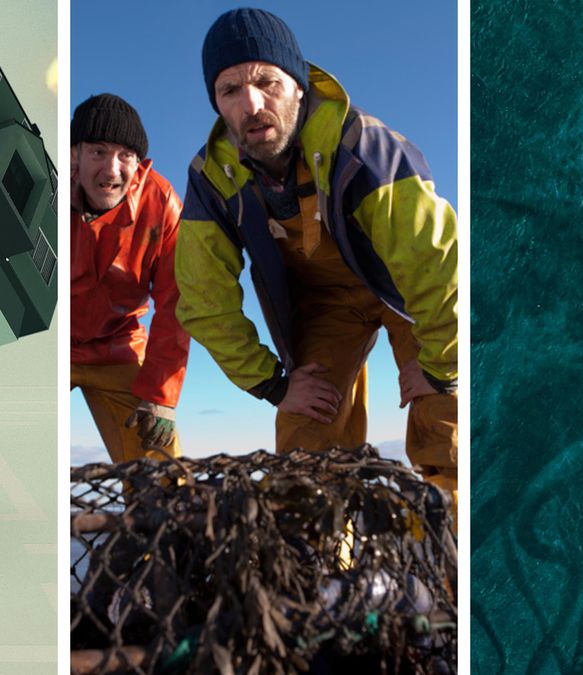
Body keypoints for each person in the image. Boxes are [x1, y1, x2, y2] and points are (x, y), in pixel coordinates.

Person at [175, 8, 459, 501]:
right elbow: (204, 297)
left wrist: (440, 368)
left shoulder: (365, 146)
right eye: (230, 91)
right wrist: (273, 385)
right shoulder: (210, 179)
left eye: (268, 82)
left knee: (445, 421)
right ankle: (323, 568)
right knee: (305, 437)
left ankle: (454, 563)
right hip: (325, 311)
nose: (252, 103)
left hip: (405, 294)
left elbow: (439, 264)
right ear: (217, 105)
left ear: (300, 86)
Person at [70, 93, 191, 463]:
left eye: (125, 156)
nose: (112, 170)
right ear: (74, 153)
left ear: (139, 163)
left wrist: (161, 396)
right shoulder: (43, 184)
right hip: (49, 346)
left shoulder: (163, 203)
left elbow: (177, 301)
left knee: (160, 469)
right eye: (98, 152)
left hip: (117, 346)